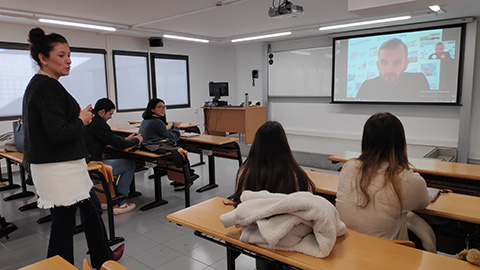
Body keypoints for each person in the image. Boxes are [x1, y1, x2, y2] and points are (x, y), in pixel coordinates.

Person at [22, 27, 123, 268]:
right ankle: (62, 265)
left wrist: (79, 118)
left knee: (91, 209)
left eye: (69, 54)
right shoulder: (45, 86)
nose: (68, 60)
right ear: (43, 59)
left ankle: (102, 257)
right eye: (61, 55)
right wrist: (82, 120)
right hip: (58, 169)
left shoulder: (47, 84)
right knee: (64, 224)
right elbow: (58, 133)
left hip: (67, 166)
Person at [231, 121, 315, 270]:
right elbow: (308, 207)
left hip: (256, 234)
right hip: (288, 238)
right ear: (284, 145)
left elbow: (240, 203)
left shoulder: (245, 172)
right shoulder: (296, 175)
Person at [335, 112, 432, 241]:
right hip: (387, 255)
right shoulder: (408, 180)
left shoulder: (349, 166)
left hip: (347, 247)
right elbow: (424, 202)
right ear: (400, 142)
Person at [85, 98, 143, 215]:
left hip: (88, 162)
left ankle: (110, 199)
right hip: (94, 165)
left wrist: (125, 140)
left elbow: (111, 139)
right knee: (130, 164)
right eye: (110, 114)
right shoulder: (99, 123)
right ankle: (121, 202)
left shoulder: (90, 120)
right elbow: (119, 144)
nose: (111, 117)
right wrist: (136, 141)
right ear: (102, 112)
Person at [356, 38, 430, 101]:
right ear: (378, 65)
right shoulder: (367, 87)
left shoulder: (418, 81)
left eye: (396, 63)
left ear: (406, 64)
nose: (389, 70)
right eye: (384, 63)